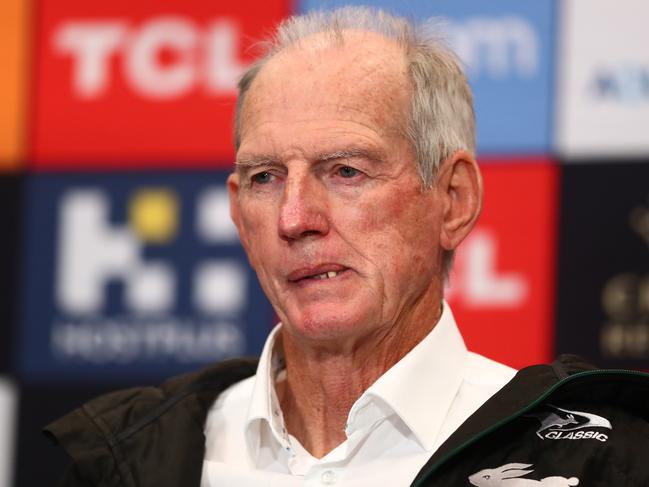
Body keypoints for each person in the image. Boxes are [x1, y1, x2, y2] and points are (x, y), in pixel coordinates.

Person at [46, 7, 649, 487]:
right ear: (236, 211)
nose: (295, 218)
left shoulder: (600, 459)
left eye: (346, 171)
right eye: (265, 177)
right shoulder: (124, 457)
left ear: (454, 199)